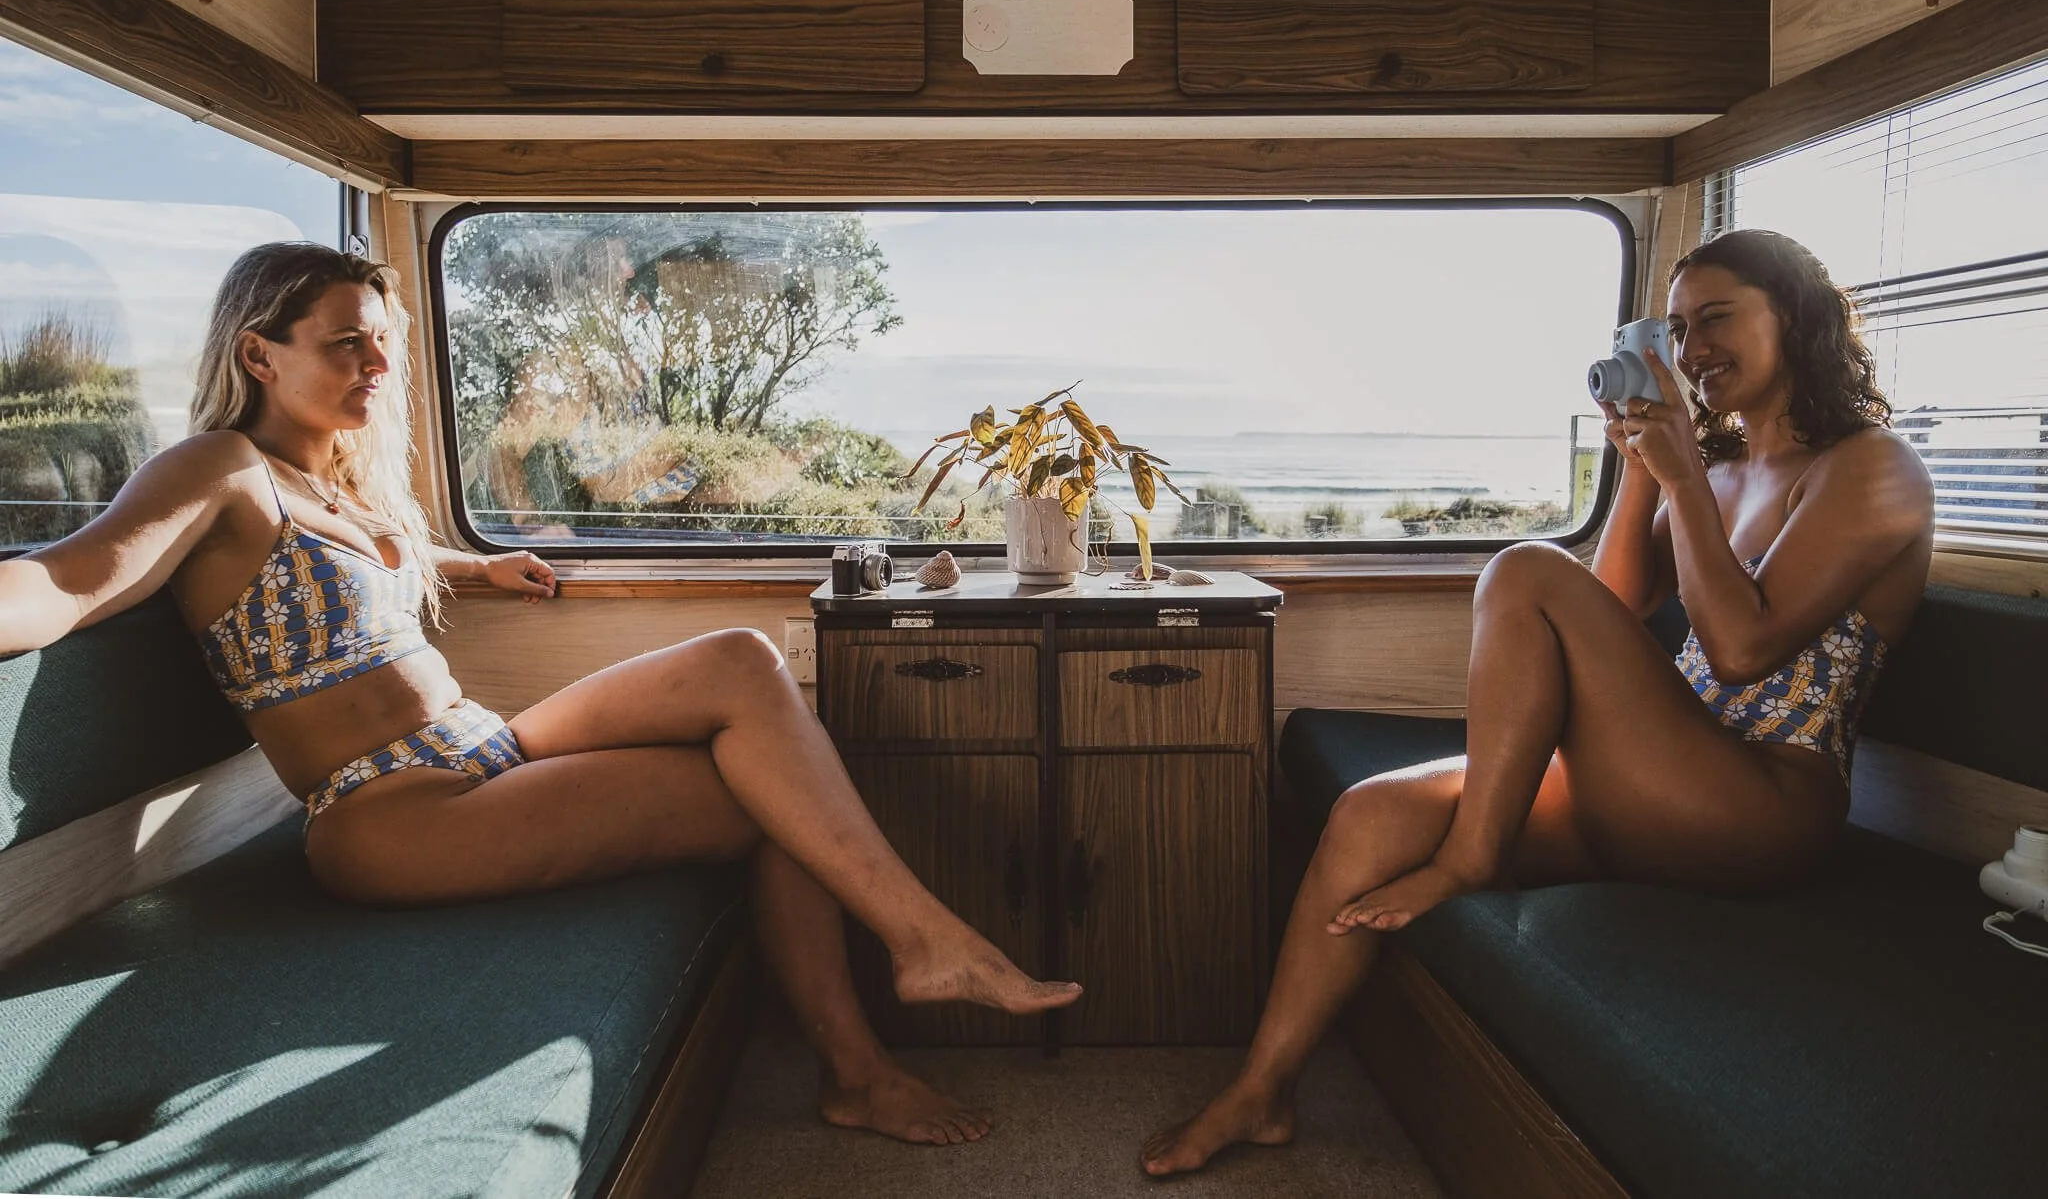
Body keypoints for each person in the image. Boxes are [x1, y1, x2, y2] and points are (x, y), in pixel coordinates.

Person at [0, 242, 1081, 1148]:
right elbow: (63, 578)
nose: (377, 362)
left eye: (383, 339)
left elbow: (370, 555)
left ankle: (916, 959)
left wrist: (479, 567)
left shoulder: (330, 476)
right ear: (258, 355)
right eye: (345, 343)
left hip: (476, 749)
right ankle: (892, 1008)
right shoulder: (215, 469)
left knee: (740, 662)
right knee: (770, 805)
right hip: (389, 813)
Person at [1141, 227, 1934, 1176]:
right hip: (1660, 782)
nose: (1692, 350)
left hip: (1759, 806)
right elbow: (1616, 605)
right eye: (1677, 331)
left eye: (1716, 319)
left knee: (1522, 566)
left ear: (1795, 318)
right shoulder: (1715, 472)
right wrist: (1648, 468)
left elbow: (1739, 646)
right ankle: (1260, 1090)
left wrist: (1679, 473)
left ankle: (1473, 858)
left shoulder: (1873, 467)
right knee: (1371, 815)